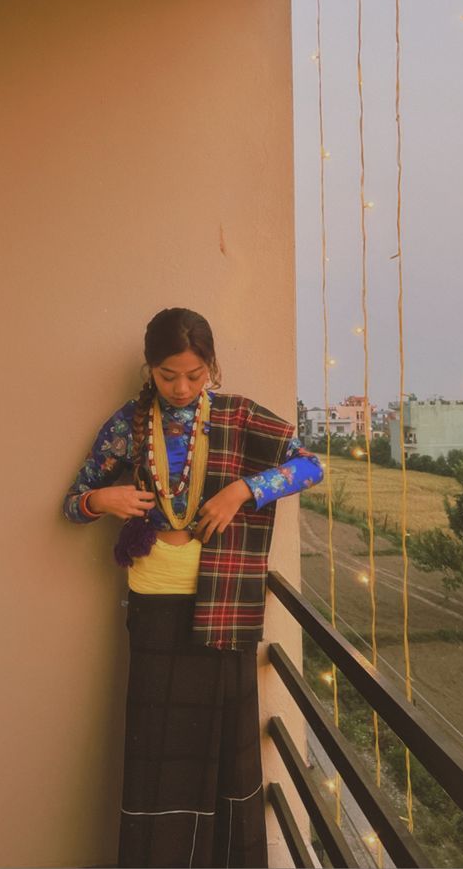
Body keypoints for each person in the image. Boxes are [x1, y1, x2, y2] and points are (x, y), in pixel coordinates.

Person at [63, 308, 323, 869]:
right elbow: (71, 504)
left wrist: (243, 492)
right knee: (159, 753)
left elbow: (311, 467)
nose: (181, 388)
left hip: (224, 605)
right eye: (167, 376)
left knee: (227, 755)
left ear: (212, 368)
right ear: (148, 369)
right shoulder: (126, 426)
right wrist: (99, 501)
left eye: (195, 375)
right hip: (154, 603)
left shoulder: (239, 416)